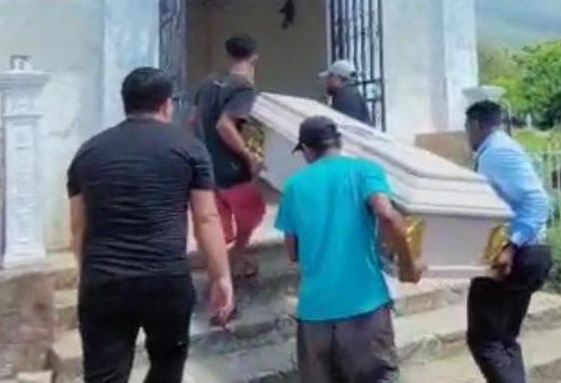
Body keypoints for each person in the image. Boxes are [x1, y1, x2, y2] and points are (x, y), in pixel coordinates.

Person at [67, 67, 233, 383]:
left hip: (104, 279)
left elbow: (78, 228)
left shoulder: (87, 152)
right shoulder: (189, 149)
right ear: (166, 104)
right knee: (167, 367)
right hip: (165, 280)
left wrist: (89, 273)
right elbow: (206, 218)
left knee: (103, 375)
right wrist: (220, 276)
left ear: (125, 103)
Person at [275, 116, 423, 383]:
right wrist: (408, 266)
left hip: (315, 314)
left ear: (306, 150)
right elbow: (388, 216)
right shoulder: (365, 170)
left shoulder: (294, 186)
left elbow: (292, 252)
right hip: (365, 309)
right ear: (339, 142)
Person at [464, 100, 552, 383]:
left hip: (518, 253)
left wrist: (510, 246)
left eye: (467, 128)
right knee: (504, 339)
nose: (467, 136)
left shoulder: (497, 152)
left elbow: (539, 202)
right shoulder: (500, 149)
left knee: (484, 339)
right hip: (529, 251)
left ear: (477, 125)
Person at [191, 34, 266, 279]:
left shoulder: (209, 83)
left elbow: (192, 120)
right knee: (253, 211)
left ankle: (223, 270)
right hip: (232, 169)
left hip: (207, 167)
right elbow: (225, 125)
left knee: (220, 227)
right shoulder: (243, 87)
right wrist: (248, 156)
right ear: (254, 57)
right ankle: (232, 265)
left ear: (229, 54)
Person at [320, 59, 372, 126]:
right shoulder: (348, 94)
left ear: (338, 78)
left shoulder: (347, 98)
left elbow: (344, 127)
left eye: (329, 77)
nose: (327, 82)